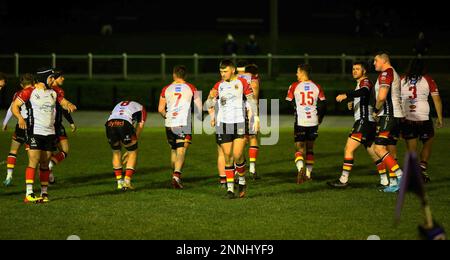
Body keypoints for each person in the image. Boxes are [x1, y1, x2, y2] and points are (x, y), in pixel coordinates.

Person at [12, 68, 77, 203]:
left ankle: (44, 193)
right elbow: (15, 106)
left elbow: (63, 102)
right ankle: (29, 193)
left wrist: (69, 104)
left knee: (45, 163)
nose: (53, 80)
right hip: (34, 132)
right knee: (34, 160)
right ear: (44, 78)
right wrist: (20, 118)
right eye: (51, 78)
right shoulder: (30, 91)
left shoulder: (54, 92)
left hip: (50, 133)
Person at [205, 60, 259, 199]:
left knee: (238, 155)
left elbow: (252, 100)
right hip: (223, 124)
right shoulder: (219, 85)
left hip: (239, 122)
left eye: (225, 71)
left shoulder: (242, 83)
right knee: (227, 155)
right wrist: (211, 97)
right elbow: (207, 105)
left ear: (233, 70)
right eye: (221, 72)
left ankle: (241, 179)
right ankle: (230, 189)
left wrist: (256, 118)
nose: (223, 74)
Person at [327, 62, 386, 188]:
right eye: (353, 69)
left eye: (357, 69)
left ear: (364, 71)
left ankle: (343, 180)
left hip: (363, 122)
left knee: (348, 149)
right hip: (369, 122)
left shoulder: (365, 82)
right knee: (373, 152)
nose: (354, 71)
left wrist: (346, 95)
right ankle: (385, 180)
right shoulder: (360, 83)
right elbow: (364, 96)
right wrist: (353, 102)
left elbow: (364, 91)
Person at [158, 66, 203, 189]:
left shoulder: (165, 89)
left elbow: (160, 109)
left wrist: (167, 116)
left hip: (169, 123)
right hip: (183, 122)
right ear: (185, 76)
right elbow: (199, 107)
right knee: (181, 149)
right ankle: (176, 176)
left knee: (173, 149)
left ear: (174, 75)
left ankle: (175, 175)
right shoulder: (192, 87)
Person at [400, 59, 443, 182]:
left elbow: (396, 98)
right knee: (428, 142)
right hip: (423, 117)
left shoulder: (402, 79)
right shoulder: (428, 79)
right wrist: (439, 117)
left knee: (411, 149)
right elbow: (437, 99)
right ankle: (422, 169)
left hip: (407, 117)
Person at [286, 64, 326, 185]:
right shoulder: (317, 86)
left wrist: (296, 109)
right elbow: (323, 104)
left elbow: (288, 101)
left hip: (300, 121)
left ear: (303, 73)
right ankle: (308, 174)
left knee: (299, 148)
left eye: (297, 72)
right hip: (313, 121)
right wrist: (320, 118)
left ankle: (300, 169)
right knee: (310, 148)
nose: (296, 74)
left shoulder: (294, 86)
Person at [372, 52, 404, 193]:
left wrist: (375, 110)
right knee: (390, 150)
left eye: (376, 60)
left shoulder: (386, 73)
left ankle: (401, 176)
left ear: (384, 61)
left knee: (378, 148)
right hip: (397, 116)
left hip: (390, 115)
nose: (374, 63)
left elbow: (382, 96)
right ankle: (393, 183)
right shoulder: (393, 72)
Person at [105, 101, 146, 191]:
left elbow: (112, 116)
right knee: (133, 152)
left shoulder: (119, 104)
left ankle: (119, 182)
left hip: (110, 124)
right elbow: (140, 125)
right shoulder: (141, 108)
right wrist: (133, 143)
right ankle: (127, 182)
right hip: (124, 123)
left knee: (116, 152)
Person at [2, 73, 34, 186]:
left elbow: (12, 108)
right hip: (33, 126)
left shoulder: (18, 94)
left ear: (21, 84)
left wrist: (5, 122)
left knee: (13, 150)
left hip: (20, 124)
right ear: (33, 82)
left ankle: (9, 176)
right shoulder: (37, 91)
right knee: (34, 157)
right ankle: (46, 178)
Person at [48, 71, 77, 184]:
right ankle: (50, 165)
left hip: (46, 125)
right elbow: (63, 106)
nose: (63, 78)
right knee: (64, 150)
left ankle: (49, 175)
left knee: (48, 152)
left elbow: (62, 107)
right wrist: (71, 122)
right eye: (61, 77)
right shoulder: (58, 90)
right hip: (56, 125)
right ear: (54, 79)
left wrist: (71, 121)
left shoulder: (44, 89)